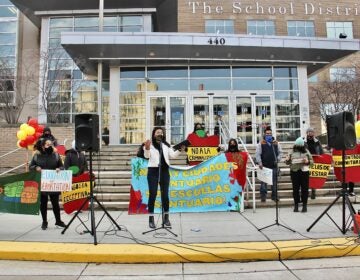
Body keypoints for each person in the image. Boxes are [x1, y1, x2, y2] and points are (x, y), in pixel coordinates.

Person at [143, 127, 185, 229]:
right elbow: (147, 156)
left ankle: (166, 218)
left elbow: (173, 155)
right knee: (153, 194)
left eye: (161, 132)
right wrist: (147, 148)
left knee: (165, 196)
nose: (160, 134)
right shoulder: (150, 144)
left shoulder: (166, 145)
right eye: (157, 132)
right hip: (153, 171)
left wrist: (180, 150)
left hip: (164, 171)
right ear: (154, 134)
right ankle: (151, 219)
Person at [29, 138, 66, 230]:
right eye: (47, 144)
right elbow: (31, 166)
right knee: (43, 204)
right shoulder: (36, 156)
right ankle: (44, 221)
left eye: (51, 144)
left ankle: (58, 221)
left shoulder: (56, 155)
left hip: (53, 183)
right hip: (42, 183)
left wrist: (59, 169)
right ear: (42, 146)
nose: (50, 146)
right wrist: (36, 167)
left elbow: (62, 166)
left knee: (55, 203)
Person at [285, 137, 313, 213]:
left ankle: (304, 205)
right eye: (298, 145)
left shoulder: (306, 151)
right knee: (295, 189)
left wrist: (307, 161)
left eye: (300, 145)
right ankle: (296, 205)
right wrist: (287, 160)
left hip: (304, 172)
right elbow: (287, 162)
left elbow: (312, 162)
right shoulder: (291, 152)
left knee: (305, 189)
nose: (299, 146)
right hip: (294, 172)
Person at [255, 126, 283, 202]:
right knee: (264, 182)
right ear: (264, 134)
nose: (268, 135)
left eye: (270, 134)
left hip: (274, 165)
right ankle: (263, 196)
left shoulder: (276, 143)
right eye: (267, 134)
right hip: (264, 166)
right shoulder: (261, 143)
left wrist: (278, 159)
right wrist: (260, 162)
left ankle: (274, 196)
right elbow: (257, 154)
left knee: (274, 182)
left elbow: (281, 152)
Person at [304, 127, 324, 199]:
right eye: (309, 132)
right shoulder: (304, 141)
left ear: (313, 133)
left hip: (316, 161)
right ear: (307, 133)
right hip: (307, 161)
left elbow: (321, 151)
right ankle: (306, 191)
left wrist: (322, 157)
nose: (310, 133)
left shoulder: (317, 141)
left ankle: (313, 191)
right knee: (307, 177)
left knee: (314, 177)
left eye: (311, 132)